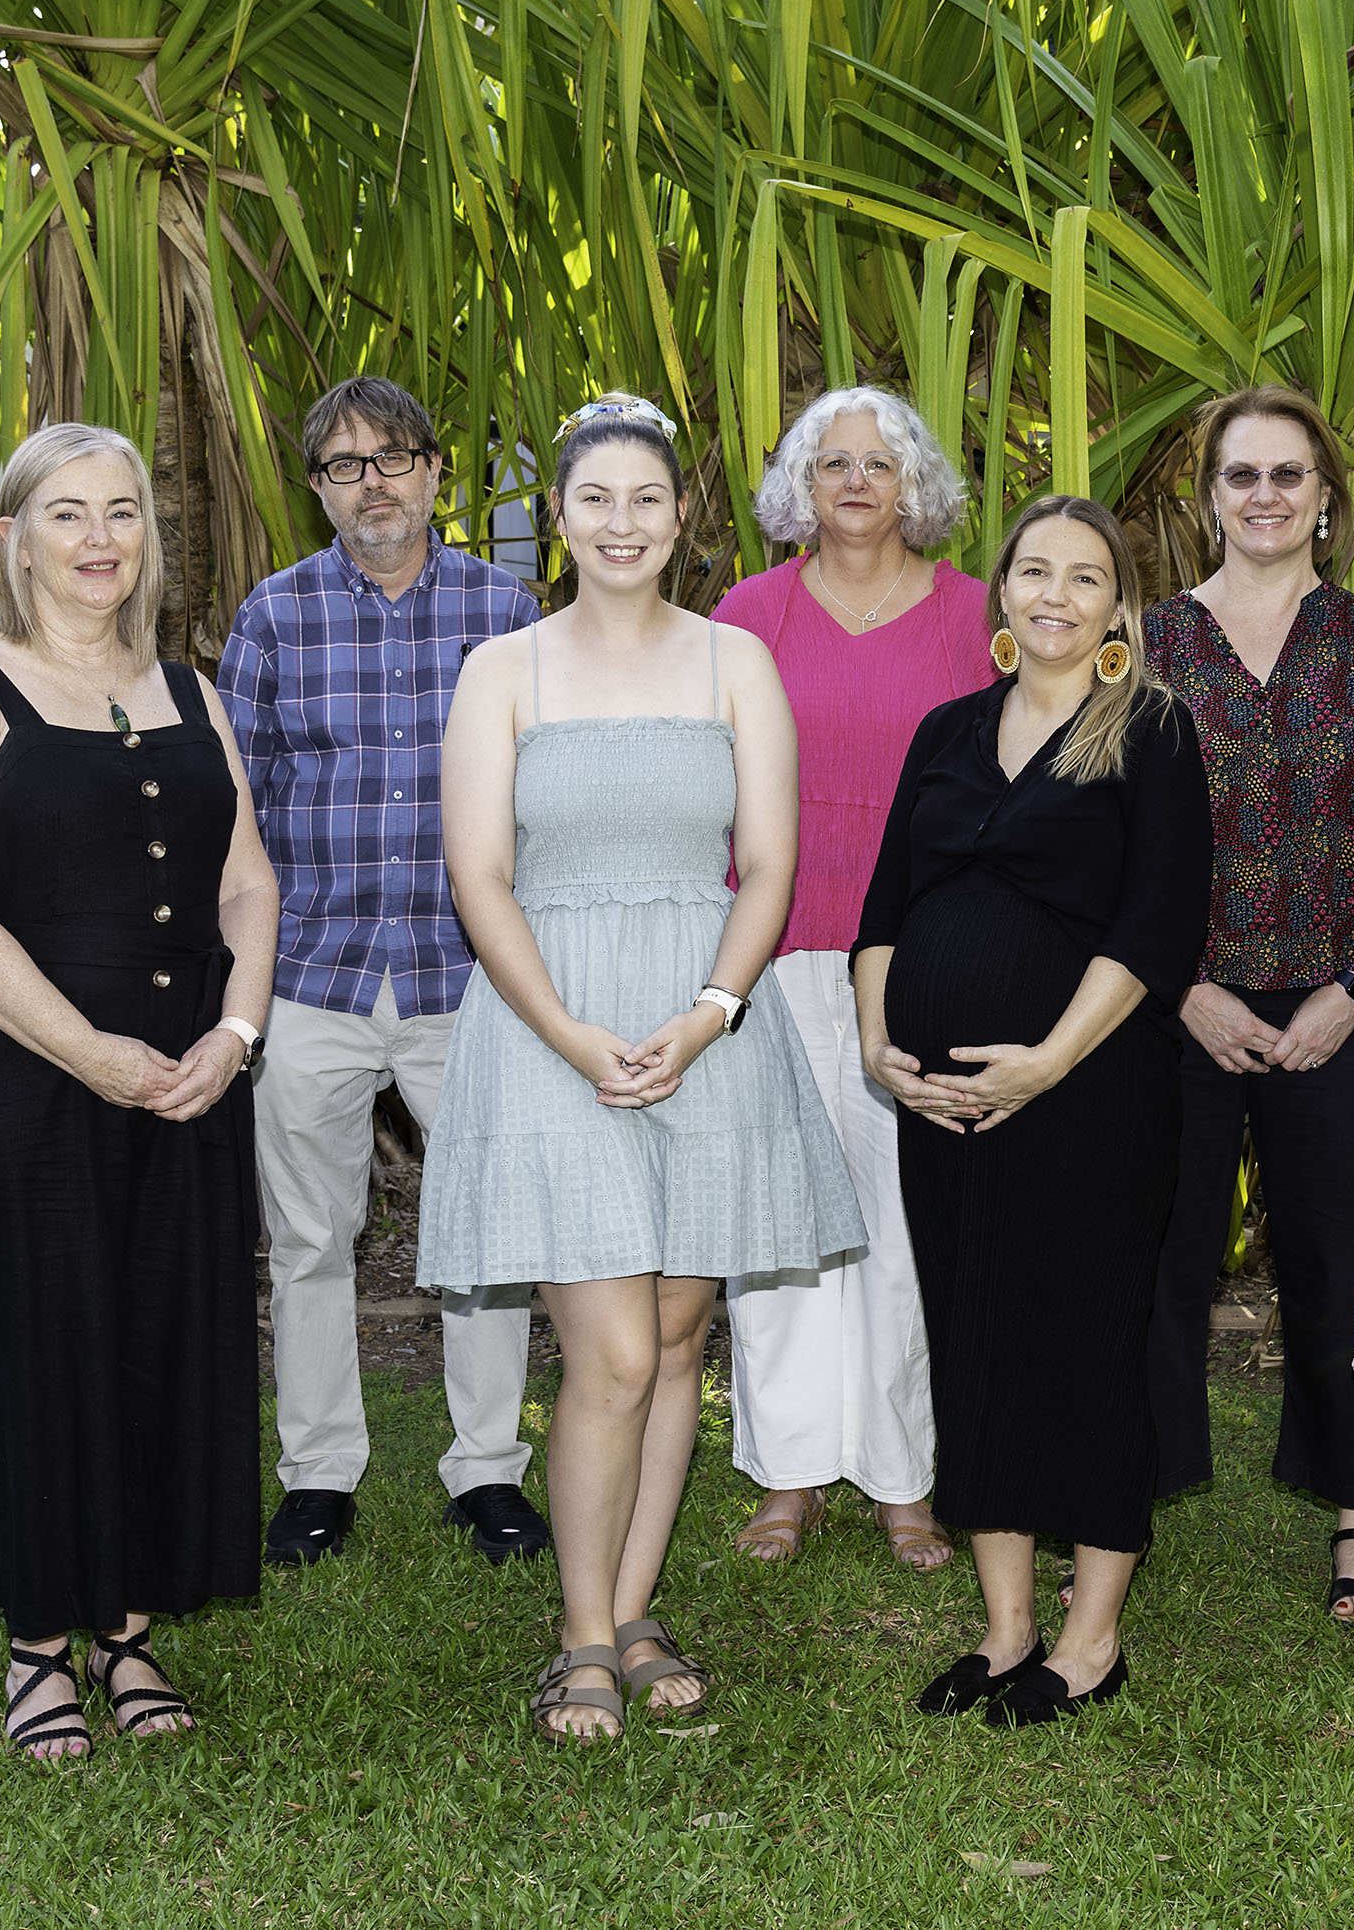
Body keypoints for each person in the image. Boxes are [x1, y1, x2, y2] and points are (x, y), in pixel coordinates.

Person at [419, 394, 863, 1744]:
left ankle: (633, 1601)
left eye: (647, 499)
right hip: (549, 1024)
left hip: (704, 1023)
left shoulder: (734, 662)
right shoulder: (506, 670)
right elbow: (479, 875)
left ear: (682, 518)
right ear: (561, 516)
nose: (622, 522)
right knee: (608, 1347)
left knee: (678, 1336)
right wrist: (565, 1029)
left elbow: (771, 864)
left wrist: (712, 1008)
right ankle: (578, 1634)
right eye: (595, 499)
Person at [0, 422, 276, 1758]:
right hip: (20, 1082)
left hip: (185, 1075)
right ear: (16, 537)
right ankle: (39, 1645)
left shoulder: (193, 688)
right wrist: (91, 1052)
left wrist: (233, 1035)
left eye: (122, 510)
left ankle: (129, 1629)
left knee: (159, 1340)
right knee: (38, 1350)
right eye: (69, 512)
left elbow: (246, 882)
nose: (101, 536)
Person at [855, 495, 1212, 1728]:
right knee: (977, 1336)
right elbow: (886, 910)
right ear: (1000, 590)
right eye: (1034, 572)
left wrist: (1047, 1061)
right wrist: (878, 1045)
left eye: (1086, 577)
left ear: (1120, 605)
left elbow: (1157, 928)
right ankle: (1008, 1629)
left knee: (1085, 1339)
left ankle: (1092, 1637)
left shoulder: (1152, 732)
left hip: (1090, 1092)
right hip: (941, 1101)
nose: (1055, 595)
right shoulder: (948, 730)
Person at [218, 376, 552, 1571]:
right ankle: (317, 1477)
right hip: (313, 972)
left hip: (470, 980)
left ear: (433, 472)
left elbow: (540, 789)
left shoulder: (507, 609)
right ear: (317, 489)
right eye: (346, 464)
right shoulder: (273, 616)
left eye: (395, 456)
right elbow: (236, 805)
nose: (375, 482)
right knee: (310, 1238)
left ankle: (489, 1473)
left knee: (481, 1235)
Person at [1146, 386, 1354, 1625]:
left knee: (1334, 1259)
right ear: (1208, 497)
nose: (1265, 496)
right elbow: (1108, 844)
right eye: (1242, 475)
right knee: (1163, 1255)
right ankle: (1130, 1490)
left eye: (1289, 476)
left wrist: (1352, 993)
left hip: (1338, 999)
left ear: (1324, 500)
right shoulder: (1142, 644)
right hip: (1176, 1002)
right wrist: (1186, 990)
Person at [712, 387, 995, 1573]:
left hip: (925, 956)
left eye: (880, 463)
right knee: (778, 1223)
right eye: (832, 464)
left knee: (901, 1223)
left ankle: (901, 1478)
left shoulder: (980, 616)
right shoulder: (746, 615)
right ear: (799, 487)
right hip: (774, 947)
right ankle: (788, 1475)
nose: (857, 482)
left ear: (916, 482)